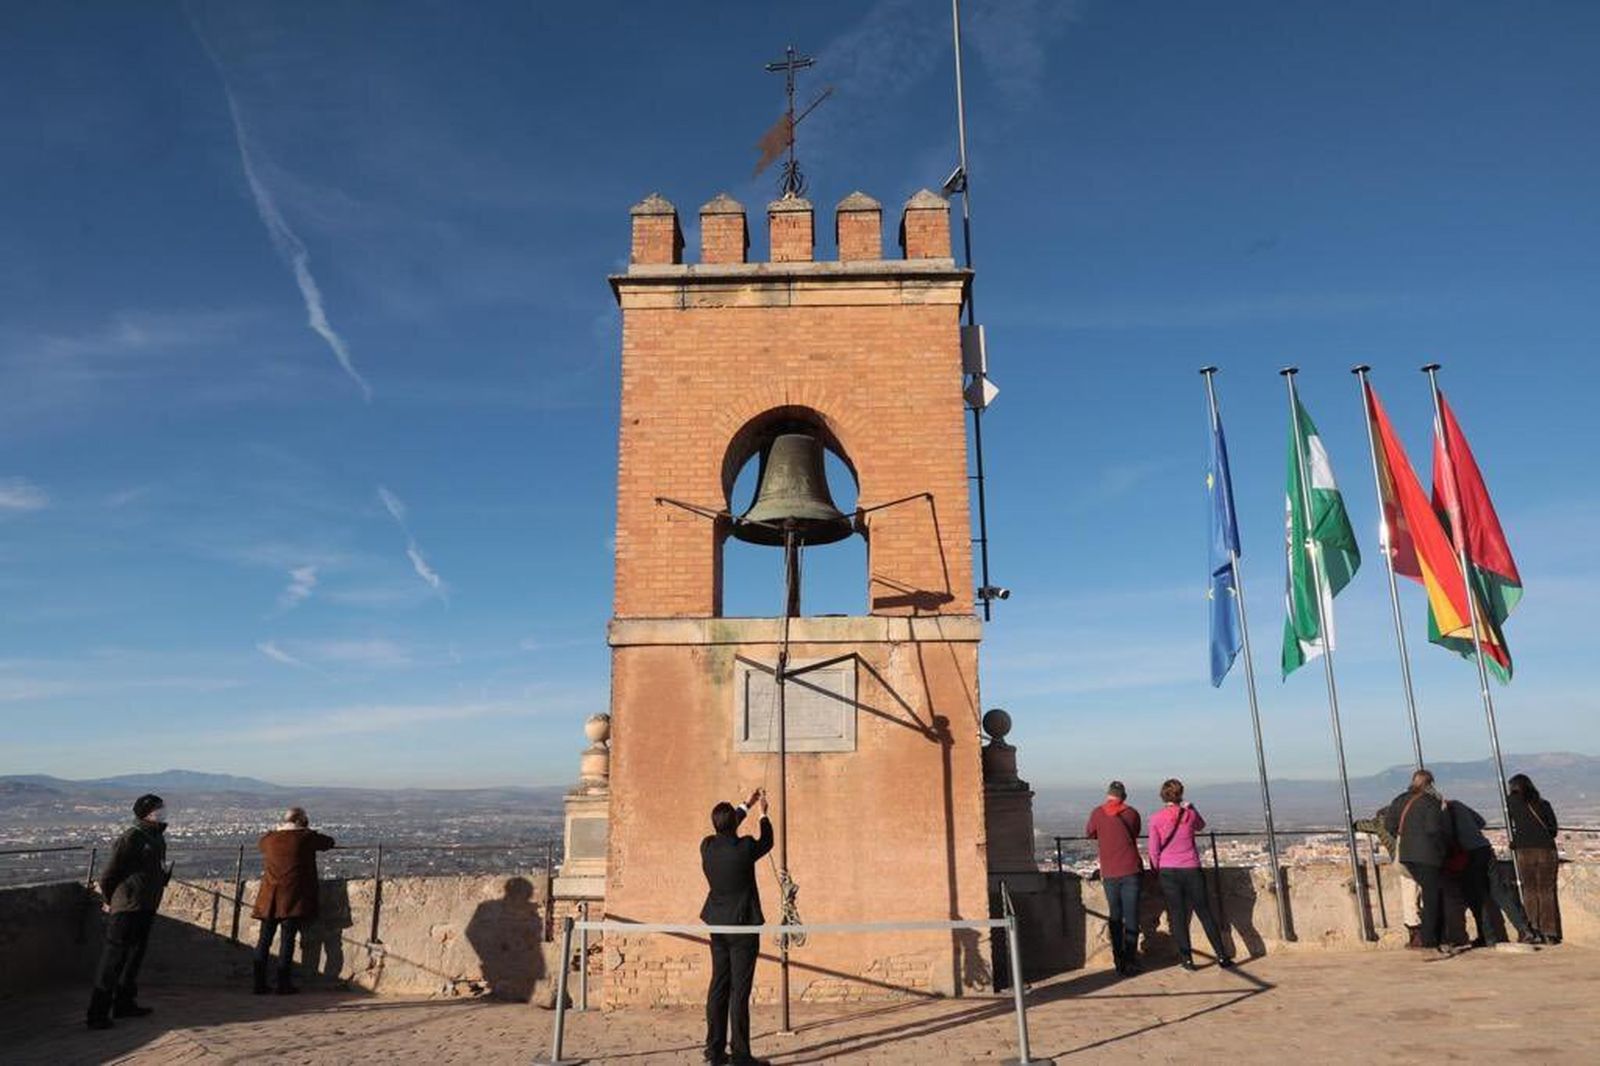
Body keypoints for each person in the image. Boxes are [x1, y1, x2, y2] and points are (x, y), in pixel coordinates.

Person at [700, 788, 773, 1066]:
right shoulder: (745, 848)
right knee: (739, 992)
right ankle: (741, 1055)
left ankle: (714, 1051)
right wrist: (763, 813)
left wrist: (747, 805)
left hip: (718, 926)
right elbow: (767, 841)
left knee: (718, 986)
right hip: (743, 927)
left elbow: (726, 830)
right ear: (734, 823)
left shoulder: (707, 846)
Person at [87, 793, 172, 1029]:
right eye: (158, 809)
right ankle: (97, 1013)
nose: (162, 812)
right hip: (126, 907)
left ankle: (124, 1003)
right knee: (113, 959)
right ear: (146, 813)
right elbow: (109, 874)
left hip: (146, 905)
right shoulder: (131, 837)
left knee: (134, 957)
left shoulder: (156, 837)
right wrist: (109, 899)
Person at [1148, 780, 1234, 970]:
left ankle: (1187, 959)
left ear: (1163, 796)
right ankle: (1222, 955)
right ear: (1181, 794)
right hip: (1191, 868)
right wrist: (1192, 807)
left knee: (1178, 916)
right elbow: (1201, 825)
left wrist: (1156, 871)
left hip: (1168, 870)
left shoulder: (1156, 818)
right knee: (1205, 912)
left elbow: (1153, 850)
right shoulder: (1189, 815)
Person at [252, 807, 336, 994]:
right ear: (301, 821)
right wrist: (308, 831)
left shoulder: (270, 839)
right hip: (292, 897)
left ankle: (259, 984)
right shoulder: (305, 838)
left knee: (264, 940)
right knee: (287, 940)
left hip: (269, 897)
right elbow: (329, 842)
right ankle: (283, 984)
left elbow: (261, 844)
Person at [1446, 798, 1545, 947]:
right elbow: (1481, 822)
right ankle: (1524, 930)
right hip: (1485, 849)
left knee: (1476, 897)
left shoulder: (1443, 811)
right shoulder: (1457, 804)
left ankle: (1488, 936)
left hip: (1467, 854)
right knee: (1500, 893)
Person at [1383, 769, 1455, 955]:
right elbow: (1433, 830)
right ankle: (1431, 943)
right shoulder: (1430, 802)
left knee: (1427, 896)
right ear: (1429, 784)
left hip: (1407, 856)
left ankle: (1436, 940)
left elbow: (1389, 825)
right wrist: (1442, 849)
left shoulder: (1399, 800)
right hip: (1428, 856)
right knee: (1433, 899)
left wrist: (1407, 839)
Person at [1085, 780, 1143, 975]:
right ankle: (1131, 959)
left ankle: (1118, 959)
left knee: (1115, 916)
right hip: (1131, 869)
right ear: (1123, 796)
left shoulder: (1097, 813)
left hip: (1110, 871)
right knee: (1132, 916)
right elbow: (1135, 832)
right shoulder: (1132, 813)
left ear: (1108, 795)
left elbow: (1090, 832)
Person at [1356, 806, 1424, 948]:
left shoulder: (1379, 824)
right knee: (1424, 896)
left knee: (1409, 898)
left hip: (1404, 864)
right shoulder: (1406, 821)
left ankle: (1416, 936)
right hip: (1421, 860)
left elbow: (1360, 825)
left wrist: (1356, 824)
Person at [1507, 773, 1562, 943]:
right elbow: (1553, 830)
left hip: (1524, 850)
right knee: (1547, 891)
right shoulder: (1543, 804)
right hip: (1546, 850)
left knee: (1529, 891)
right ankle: (1550, 933)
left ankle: (1532, 930)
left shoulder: (1511, 803)